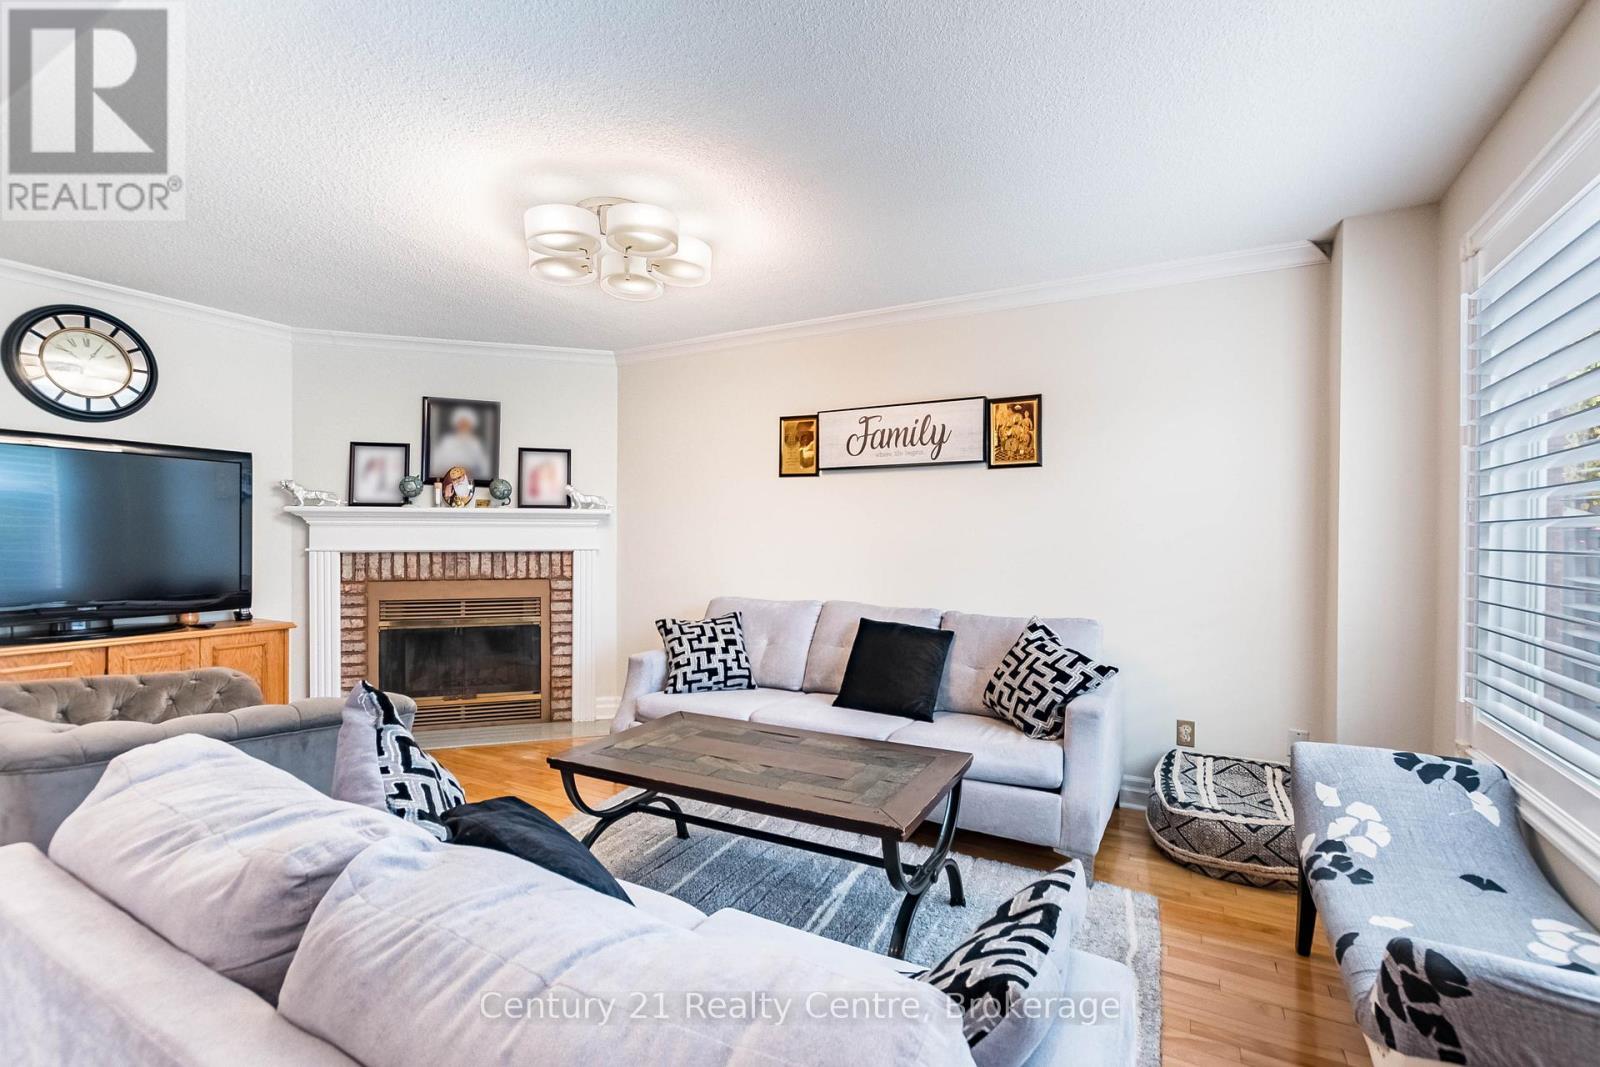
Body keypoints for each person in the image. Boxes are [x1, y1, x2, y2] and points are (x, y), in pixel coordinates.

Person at [431, 406, 492, 480]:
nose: (463, 426)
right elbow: (435, 465)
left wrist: (468, 472)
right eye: (461, 423)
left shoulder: (475, 443)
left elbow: (484, 469)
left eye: (466, 423)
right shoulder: (447, 441)